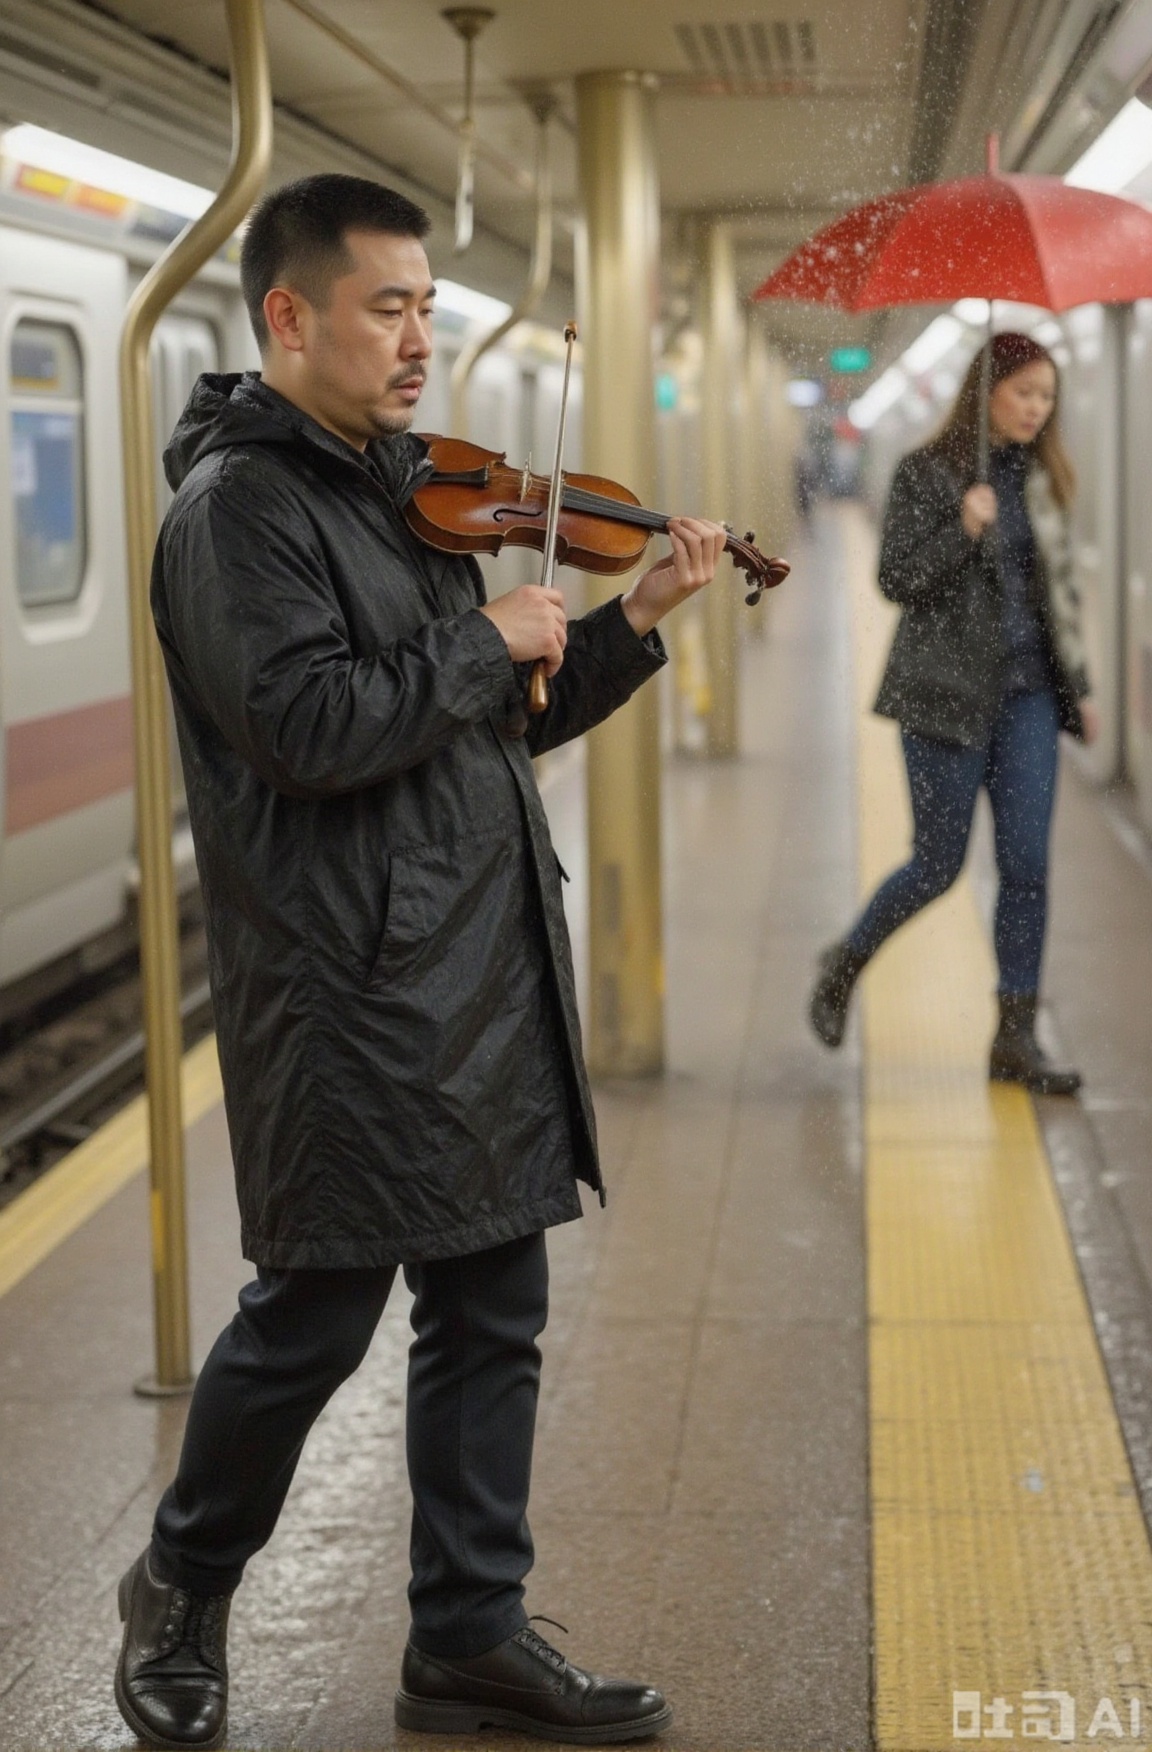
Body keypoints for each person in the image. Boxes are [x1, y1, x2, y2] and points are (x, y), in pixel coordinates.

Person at [114, 173, 730, 1750]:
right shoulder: (236, 515)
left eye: (427, 308)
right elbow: (313, 731)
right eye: (387, 306)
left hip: (469, 962)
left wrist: (627, 621)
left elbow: (485, 735)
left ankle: (466, 1633)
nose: (417, 339)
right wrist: (484, 639)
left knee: (492, 1306)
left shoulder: (399, 489)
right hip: (348, 989)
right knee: (314, 1315)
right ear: (287, 316)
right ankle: (180, 1583)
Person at [808, 331, 1097, 1093]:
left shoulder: (1045, 478)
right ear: (987, 390)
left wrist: (1084, 684)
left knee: (1027, 868)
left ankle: (1015, 1039)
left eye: (1047, 397)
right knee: (938, 865)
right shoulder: (927, 472)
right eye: (1025, 392)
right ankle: (846, 963)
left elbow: (1059, 591)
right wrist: (963, 527)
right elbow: (896, 578)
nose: (1037, 408)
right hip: (943, 696)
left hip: (1029, 698)